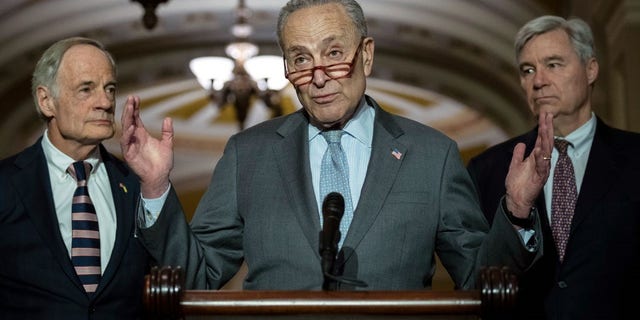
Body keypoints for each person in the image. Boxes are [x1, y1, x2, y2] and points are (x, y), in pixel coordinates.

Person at [121, 0, 553, 291]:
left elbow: (481, 280)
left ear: (366, 55)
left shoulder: (433, 156)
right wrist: (157, 189)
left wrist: (515, 212)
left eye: (333, 53)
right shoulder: (246, 154)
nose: (319, 76)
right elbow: (199, 274)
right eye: (301, 59)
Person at [467, 15, 640, 319]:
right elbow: (475, 278)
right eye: (528, 70)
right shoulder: (487, 169)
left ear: (590, 69)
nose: (538, 81)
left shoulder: (635, 157)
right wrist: (515, 210)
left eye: (554, 64)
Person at [0, 37, 151, 319]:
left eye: (110, 89)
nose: (105, 102)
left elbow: (181, 273)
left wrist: (158, 182)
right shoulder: (6, 184)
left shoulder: (137, 183)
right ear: (46, 101)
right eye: (86, 89)